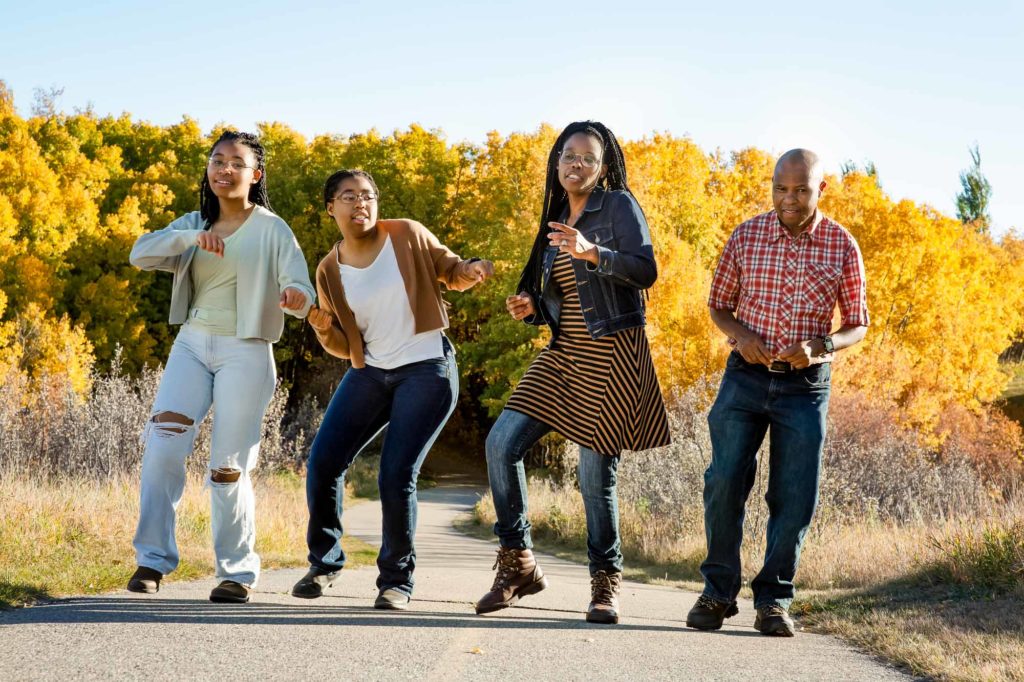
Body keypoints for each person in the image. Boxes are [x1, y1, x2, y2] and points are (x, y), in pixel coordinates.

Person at [474, 121, 670, 625]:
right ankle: (517, 562)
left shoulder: (619, 207)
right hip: (565, 354)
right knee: (501, 444)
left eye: (587, 158)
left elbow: (644, 271)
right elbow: (561, 297)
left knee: (593, 476)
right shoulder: (555, 216)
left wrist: (593, 252)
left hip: (612, 350)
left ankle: (606, 583)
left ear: (602, 168)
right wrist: (532, 308)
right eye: (568, 155)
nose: (576, 165)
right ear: (556, 162)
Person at [686, 149, 869, 636]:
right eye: (781, 188)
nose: (789, 199)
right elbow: (719, 305)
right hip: (744, 376)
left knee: (794, 495)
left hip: (805, 386)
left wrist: (822, 344)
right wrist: (740, 336)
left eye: (801, 189)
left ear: (821, 189)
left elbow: (857, 324)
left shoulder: (842, 245)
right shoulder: (747, 235)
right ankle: (718, 591)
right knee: (723, 480)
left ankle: (774, 599)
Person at [126, 131, 315, 603]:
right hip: (192, 343)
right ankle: (152, 559)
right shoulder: (193, 222)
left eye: (236, 162)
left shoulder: (273, 229)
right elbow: (140, 254)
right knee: (163, 447)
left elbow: (300, 285)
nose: (224, 169)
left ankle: (236, 573)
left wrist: (295, 298)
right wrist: (190, 236)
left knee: (228, 467)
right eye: (217, 160)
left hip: (246, 350)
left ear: (257, 174)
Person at [292, 169, 494, 610]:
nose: (360, 203)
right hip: (371, 372)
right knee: (324, 462)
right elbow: (344, 346)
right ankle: (325, 563)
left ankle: (396, 581)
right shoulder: (329, 269)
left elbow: (450, 270)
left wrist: (471, 270)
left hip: (426, 368)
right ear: (332, 208)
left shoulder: (405, 234)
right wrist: (322, 327)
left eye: (367, 196)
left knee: (395, 472)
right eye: (348, 196)